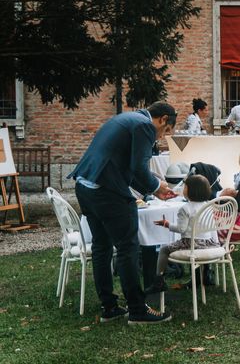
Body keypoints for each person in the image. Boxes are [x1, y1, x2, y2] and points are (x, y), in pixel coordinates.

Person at [68, 101, 176, 324]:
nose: (160, 138)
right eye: (164, 132)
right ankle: (137, 309)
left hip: (85, 185)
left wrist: (154, 189)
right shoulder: (145, 126)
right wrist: (156, 187)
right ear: (163, 119)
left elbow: (130, 167)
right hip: (105, 190)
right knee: (128, 247)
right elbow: (138, 167)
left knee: (102, 247)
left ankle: (109, 307)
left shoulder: (127, 119)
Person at [144, 175, 219, 295]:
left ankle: (158, 281)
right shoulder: (209, 206)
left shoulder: (185, 208)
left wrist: (167, 224)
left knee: (163, 250)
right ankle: (204, 276)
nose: (183, 189)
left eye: (185, 187)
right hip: (209, 243)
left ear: (190, 191)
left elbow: (181, 229)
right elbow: (213, 228)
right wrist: (217, 244)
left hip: (191, 244)